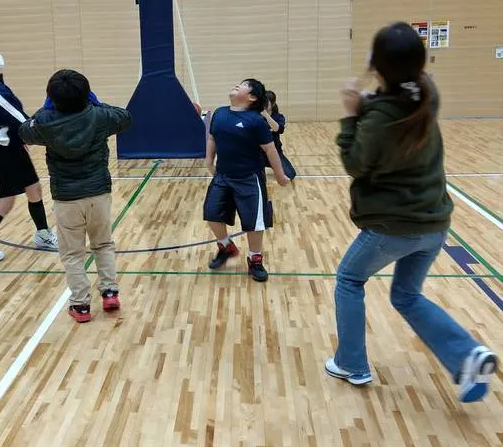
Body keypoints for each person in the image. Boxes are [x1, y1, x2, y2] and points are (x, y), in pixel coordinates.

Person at [328, 21, 497, 402]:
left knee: (349, 280)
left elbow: (356, 163)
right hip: (435, 224)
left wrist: (351, 115)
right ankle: (468, 355)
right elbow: (396, 99)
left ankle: (351, 363)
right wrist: (368, 104)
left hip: (393, 228)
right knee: (405, 295)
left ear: (375, 64)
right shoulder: (426, 96)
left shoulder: (376, 121)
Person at [19, 69, 132, 323]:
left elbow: (24, 130)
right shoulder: (100, 115)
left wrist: (45, 109)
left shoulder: (45, 122)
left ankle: (80, 306)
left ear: (52, 98)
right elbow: (125, 117)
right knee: (103, 244)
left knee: (72, 254)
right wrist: (96, 102)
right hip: (98, 193)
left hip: (66, 197)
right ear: (86, 94)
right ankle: (110, 292)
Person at [0, 43, 57, 264]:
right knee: (5, 203)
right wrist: (50, 135)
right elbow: (21, 119)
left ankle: (43, 234)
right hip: (1, 155)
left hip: (12, 150)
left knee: (34, 190)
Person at [204, 79, 290, 282]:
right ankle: (226, 247)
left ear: (251, 97)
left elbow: (270, 149)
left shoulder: (255, 121)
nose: (236, 85)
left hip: (249, 179)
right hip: (222, 176)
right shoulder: (220, 113)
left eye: (242, 85)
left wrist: (280, 175)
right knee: (212, 214)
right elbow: (212, 138)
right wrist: (208, 161)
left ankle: (255, 259)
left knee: (254, 223)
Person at [262, 90, 296, 181]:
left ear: (272, 104)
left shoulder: (279, 117)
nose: (263, 104)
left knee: (290, 174)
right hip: (258, 155)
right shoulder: (256, 117)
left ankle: (274, 166)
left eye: (266, 102)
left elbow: (278, 129)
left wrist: (266, 115)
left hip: (275, 153)